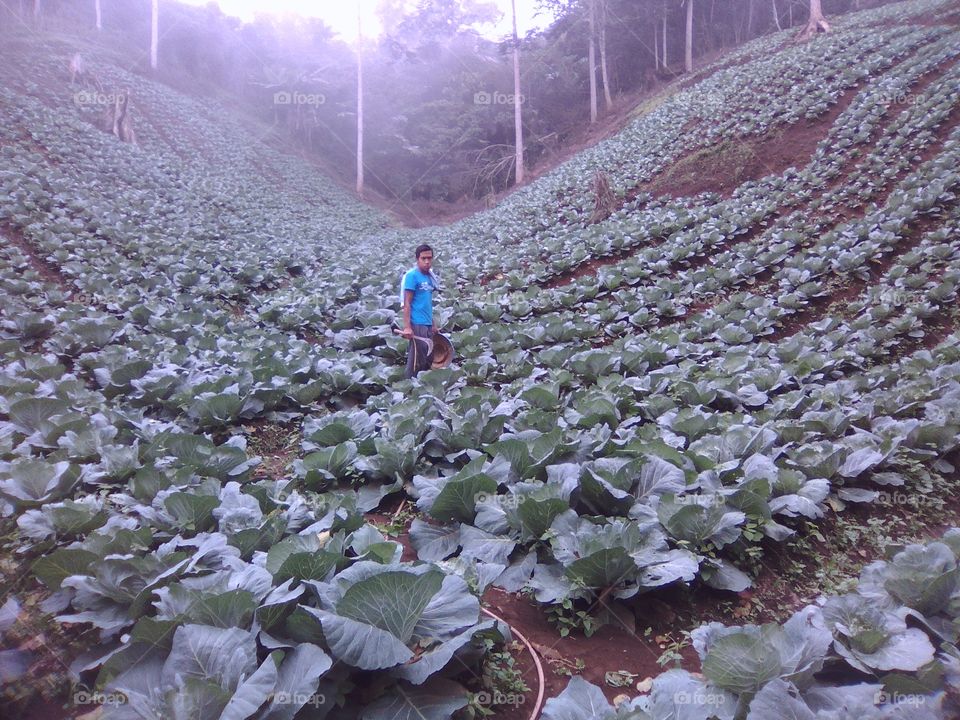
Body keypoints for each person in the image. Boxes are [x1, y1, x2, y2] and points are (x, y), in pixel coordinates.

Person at [400, 244, 439, 378]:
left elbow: (426, 303)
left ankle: (421, 390)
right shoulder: (412, 276)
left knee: (427, 359)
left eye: (429, 258)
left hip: (427, 324)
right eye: (423, 258)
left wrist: (432, 324)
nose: (427, 261)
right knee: (416, 361)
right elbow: (407, 303)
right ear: (417, 259)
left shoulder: (429, 277)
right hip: (417, 324)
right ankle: (409, 390)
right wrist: (407, 327)